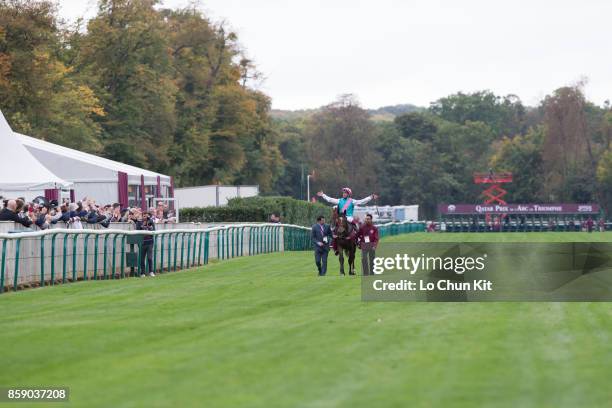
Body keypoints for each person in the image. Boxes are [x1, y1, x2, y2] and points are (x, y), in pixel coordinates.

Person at [135, 210, 156, 277]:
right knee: (142, 258)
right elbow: (137, 230)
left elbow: (153, 230)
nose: (145, 216)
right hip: (142, 243)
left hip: (150, 242)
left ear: (147, 215)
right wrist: (145, 227)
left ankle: (151, 271)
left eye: (146, 215)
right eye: (143, 215)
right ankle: (143, 273)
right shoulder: (139, 222)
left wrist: (146, 227)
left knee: (149, 258)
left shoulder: (151, 221)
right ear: (142, 215)